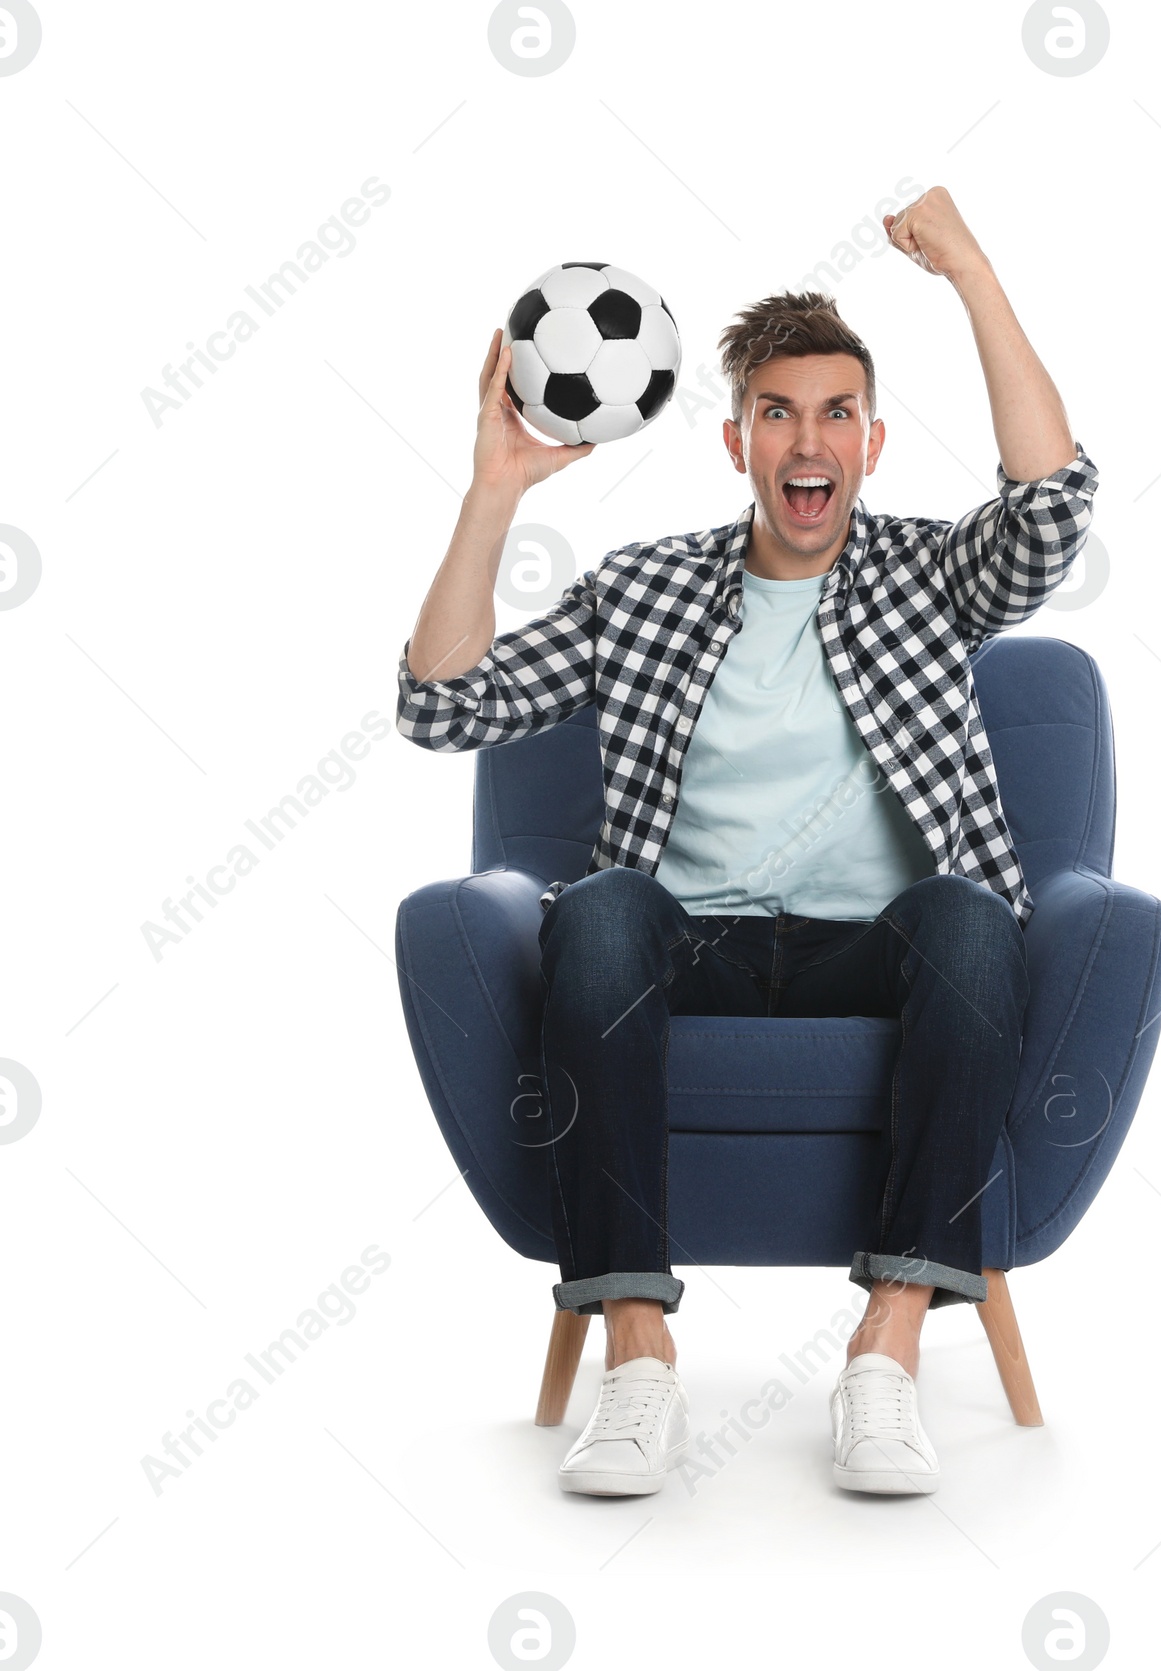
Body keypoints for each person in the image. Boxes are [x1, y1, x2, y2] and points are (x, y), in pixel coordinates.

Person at [396, 186, 1097, 1498]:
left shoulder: (930, 578)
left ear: (874, 443)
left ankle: (886, 1358)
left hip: (873, 952)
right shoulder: (645, 588)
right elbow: (442, 703)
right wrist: (496, 490)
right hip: (691, 944)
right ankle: (639, 1356)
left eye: (836, 413)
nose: (807, 439)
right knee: (596, 907)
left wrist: (973, 272)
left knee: (966, 915)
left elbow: (1053, 504)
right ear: (736, 442)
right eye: (779, 413)